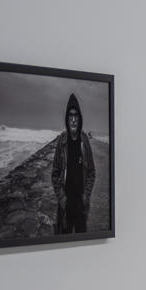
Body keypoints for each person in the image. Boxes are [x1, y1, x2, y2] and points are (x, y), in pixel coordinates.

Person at [50, 93, 96, 234]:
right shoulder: (62, 141)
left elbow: (92, 172)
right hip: (65, 207)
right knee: (64, 245)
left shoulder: (85, 141)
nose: (74, 120)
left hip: (81, 207)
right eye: (71, 116)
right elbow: (55, 174)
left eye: (76, 116)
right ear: (67, 118)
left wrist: (86, 197)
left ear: (80, 118)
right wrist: (62, 199)